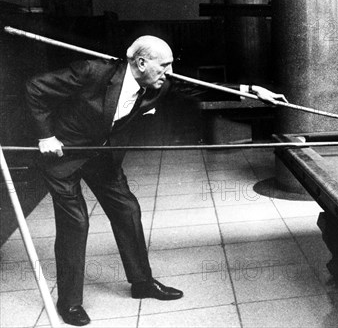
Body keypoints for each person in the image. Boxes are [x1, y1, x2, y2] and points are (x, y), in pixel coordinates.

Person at [25, 35, 286, 326]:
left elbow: (199, 88)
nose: (169, 72)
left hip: (102, 155)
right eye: (164, 65)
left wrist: (252, 91)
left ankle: (142, 283)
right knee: (77, 222)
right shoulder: (93, 71)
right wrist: (45, 135)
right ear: (141, 63)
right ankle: (69, 303)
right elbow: (36, 88)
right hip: (65, 152)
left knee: (128, 210)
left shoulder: (158, 83)